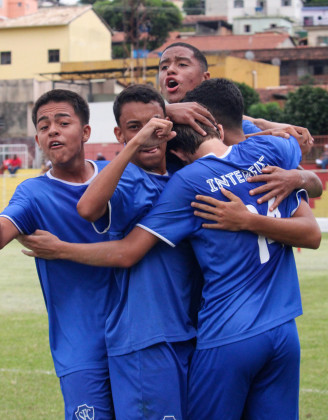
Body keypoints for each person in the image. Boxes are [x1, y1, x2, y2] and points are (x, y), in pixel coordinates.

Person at [19, 79, 321, 419]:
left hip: (221, 334)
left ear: (173, 144)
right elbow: (304, 169)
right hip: (268, 327)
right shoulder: (268, 152)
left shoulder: (186, 183)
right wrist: (299, 173)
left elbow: (127, 251)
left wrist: (60, 249)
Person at [0, 89, 118, 420]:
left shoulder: (119, 174)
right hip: (80, 345)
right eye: (44, 125)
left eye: (63, 122)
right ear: (37, 138)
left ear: (86, 132)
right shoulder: (33, 193)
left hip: (135, 336)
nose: (52, 130)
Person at [76, 84, 202, 420]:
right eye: (134, 127)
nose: (149, 134)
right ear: (119, 134)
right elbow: (88, 208)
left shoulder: (183, 174)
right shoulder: (125, 178)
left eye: (155, 125)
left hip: (187, 332)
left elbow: (227, 126)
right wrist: (137, 142)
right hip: (144, 337)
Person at [160, 42, 323, 208]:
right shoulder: (152, 126)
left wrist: (295, 178)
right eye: (164, 67)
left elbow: (315, 185)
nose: (171, 70)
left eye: (182, 64)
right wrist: (166, 110)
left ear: (205, 78)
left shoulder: (239, 124)